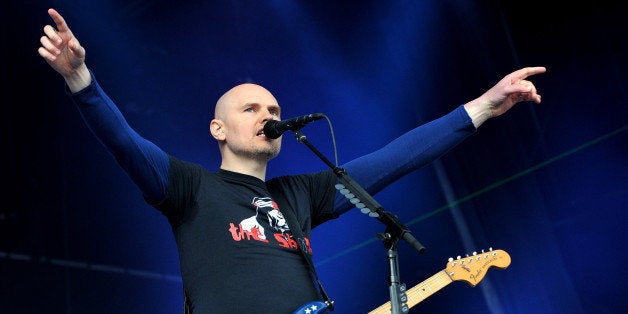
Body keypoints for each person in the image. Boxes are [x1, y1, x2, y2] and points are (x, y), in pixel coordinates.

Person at [37, 7, 546, 314]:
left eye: (275, 109)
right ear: (218, 129)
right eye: (252, 108)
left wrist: (483, 107)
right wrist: (81, 79)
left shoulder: (300, 194)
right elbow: (124, 142)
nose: (269, 114)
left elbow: (395, 159)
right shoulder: (190, 189)